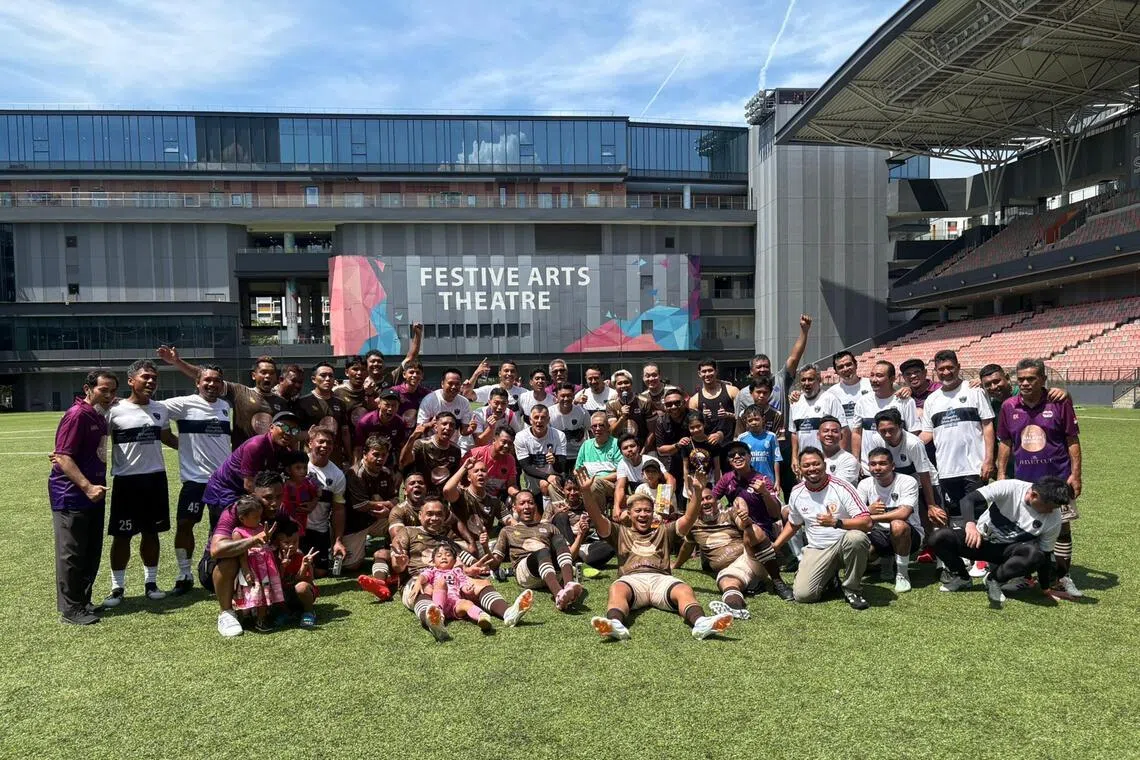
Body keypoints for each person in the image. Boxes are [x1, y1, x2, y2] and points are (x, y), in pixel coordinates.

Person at [576, 467, 734, 641]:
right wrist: (585, 492)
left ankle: (701, 623)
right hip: (631, 580)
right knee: (617, 588)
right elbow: (596, 516)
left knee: (683, 589)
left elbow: (689, 518)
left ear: (653, 513)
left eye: (647, 510)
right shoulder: (619, 532)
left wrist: (696, 490)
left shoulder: (664, 531)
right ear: (629, 513)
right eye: (638, 510)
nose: (643, 514)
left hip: (661, 579)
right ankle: (616, 625)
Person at [997, 358, 1083, 599]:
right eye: (1021, 379)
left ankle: (1061, 577)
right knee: (1026, 530)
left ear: (1043, 379)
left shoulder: (1059, 402)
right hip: (1025, 483)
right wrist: (1002, 474)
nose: (1025, 383)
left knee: (1062, 528)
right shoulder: (1008, 406)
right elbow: (1005, 443)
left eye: (1031, 379)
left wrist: (1076, 476)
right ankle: (1026, 576)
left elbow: (1072, 441)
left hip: (1058, 481)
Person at [391, 499, 531, 642]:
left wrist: (474, 568)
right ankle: (434, 622)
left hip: (453, 580)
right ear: (420, 515)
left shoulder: (447, 541)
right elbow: (397, 565)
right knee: (426, 587)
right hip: (419, 578)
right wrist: (400, 564)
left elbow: (473, 563)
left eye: (439, 514)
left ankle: (508, 613)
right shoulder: (407, 532)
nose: (434, 518)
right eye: (430, 514)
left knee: (481, 583)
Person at [929, 477, 1072, 608]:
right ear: (1034, 495)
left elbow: (1045, 555)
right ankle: (962, 577)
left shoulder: (1054, 518)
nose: (1051, 511)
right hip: (979, 541)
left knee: (1035, 554)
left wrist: (1046, 589)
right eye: (1049, 507)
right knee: (939, 538)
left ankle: (994, 579)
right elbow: (968, 499)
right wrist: (970, 525)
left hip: (1008, 554)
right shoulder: (1011, 487)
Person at [104, 359, 177, 607]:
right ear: (131, 380)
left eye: (154, 378)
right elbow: (97, 438)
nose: (150, 381)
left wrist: (195, 449)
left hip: (155, 479)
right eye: (145, 377)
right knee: (122, 536)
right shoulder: (114, 410)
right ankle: (117, 588)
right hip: (126, 481)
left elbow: (167, 437)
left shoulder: (160, 409)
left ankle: (151, 583)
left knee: (151, 532)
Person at [49, 369, 117, 625]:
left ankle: (83, 600)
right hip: (71, 495)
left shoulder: (97, 415)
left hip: (93, 494)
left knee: (90, 551)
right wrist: (87, 487)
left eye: (113, 390)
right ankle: (70, 609)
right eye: (104, 390)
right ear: (88, 388)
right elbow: (63, 456)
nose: (109, 395)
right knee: (72, 553)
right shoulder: (77, 414)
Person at [160, 363, 232, 595]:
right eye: (207, 380)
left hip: (222, 481)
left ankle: (217, 572)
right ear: (197, 383)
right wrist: (177, 445)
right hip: (195, 480)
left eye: (216, 380)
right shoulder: (183, 404)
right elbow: (154, 411)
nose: (212, 384)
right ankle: (184, 574)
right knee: (185, 524)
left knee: (222, 528)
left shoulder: (225, 406)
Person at [771, 447, 873, 609]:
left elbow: (866, 522)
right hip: (817, 548)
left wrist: (837, 522)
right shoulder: (797, 492)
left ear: (824, 465)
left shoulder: (842, 487)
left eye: (816, 464)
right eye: (807, 465)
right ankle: (830, 578)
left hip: (843, 545)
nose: (812, 469)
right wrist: (776, 545)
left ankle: (852, 589)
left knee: (857, 538)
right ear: (800, 469)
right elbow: (794, 523)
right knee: (803, 595)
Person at [919, 350, 995, 533]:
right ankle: (964, 556)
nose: (946, 372)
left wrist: (988, 460)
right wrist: (903, 443)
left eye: (950, 368)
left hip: (974, 466)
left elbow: (988, 426)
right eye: (941, 369)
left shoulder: (974, 391)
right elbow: (927, 434)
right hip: (946, 469)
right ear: (935, 371)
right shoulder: (932, 400)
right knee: (955, 514)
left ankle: (981, 560)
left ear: (958, 367)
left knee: (977, 513)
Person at [707, 440, 795, 601]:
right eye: (732, 455)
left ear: (750, 457)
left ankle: (777, 581)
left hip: (761, 531)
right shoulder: (727, 479)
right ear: (729, 460)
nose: (737, 457)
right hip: (736, 531)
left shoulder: (762, 480)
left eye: (742, 453)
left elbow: (775, 514)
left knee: (752, 530)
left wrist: (764, 493)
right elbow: (710, 499)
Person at [474, 490, 586, 611]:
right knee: (542, 551)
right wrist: (485, 547)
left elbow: (570, 555)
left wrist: (580, 535)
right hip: (526, 573)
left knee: (558, 539)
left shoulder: (549, 527)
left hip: (551, 570)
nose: (527, 506)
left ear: (535, 506)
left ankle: (569, 585)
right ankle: (559, 594)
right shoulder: (507, 531)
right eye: (522, 503)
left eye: (530, 503)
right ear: (514, 508)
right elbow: (494, 565)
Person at [157, 347, 289, 448]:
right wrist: (177, 362)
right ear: (254, 375)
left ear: (276, 377)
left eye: (271, 373)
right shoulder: (240, 392)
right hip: (242, 460)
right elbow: (206, 376)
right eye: (263, 372)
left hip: (272, 458)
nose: (267, 376)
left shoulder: (281, 403)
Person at [205, 473, 283, 637]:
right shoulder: (235, 511)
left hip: (259, 567)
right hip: (217, 569)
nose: (274, 503)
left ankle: (264, 607)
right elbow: (217, 550)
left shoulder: (278, 512)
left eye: (279, 496)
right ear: (254, 496)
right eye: (268, 497)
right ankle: (226, 613)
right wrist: (254, 540)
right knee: (230, 559)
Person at [201, 410, 299, 534]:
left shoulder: (283, 448)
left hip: (244, 492)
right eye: (284, 427)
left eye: (293, 430)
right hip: (224, 491)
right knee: (224, 535)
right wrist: (270, 505)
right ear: (271, 427)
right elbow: (249, 485)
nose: (288, 433)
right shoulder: (256, 445)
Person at [858, 448, 922, 593]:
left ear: (892, 466)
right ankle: (885, 559)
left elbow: (904, 513)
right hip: (878, 534)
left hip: (909, 536)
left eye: (882, 463)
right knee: (859, 547)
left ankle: (902, 574)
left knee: (898, 524)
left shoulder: (907, 481)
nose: (877, 468)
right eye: (873, 464)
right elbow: (856, 515)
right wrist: (868, 510)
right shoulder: (864, 484)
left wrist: (870, 516)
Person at [342, 434, 399, 585]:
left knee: (399, 519)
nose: (380, 458)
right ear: (365, 454)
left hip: (377, 519)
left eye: (384, 455)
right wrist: (387, 505)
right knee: (351, 566)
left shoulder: (386, 472)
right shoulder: (354, 473)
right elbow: (360, 506)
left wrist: (388, 510)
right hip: (355, 524)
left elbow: (396, 500)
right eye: (376, 454)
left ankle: (392, 554)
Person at [733, 314, 812, 418]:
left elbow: (793, 359)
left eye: (766, 366)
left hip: (781, 434)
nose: (763, 369)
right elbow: (740, 422)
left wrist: (804, 331)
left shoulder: (780, 381)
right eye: (759, 367)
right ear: (751, 371)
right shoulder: (743, 394)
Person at [295, 427, 347, 577]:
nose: (325, 446)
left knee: (320, 572)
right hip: (296, 529)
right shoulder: (298, 465)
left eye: (329, 443)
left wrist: (337, 541)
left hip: (319, 530)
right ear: (310, 443)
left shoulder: (337, 475)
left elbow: (338, 510)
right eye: (321, 441)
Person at [849, 360, 919, 472]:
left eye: (879, 376)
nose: (874, 380)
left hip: (898, 466)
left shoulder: (905, 401)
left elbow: (913, 432)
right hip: (869, 468)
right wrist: (856, 460)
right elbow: (857, 432)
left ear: (892, 379)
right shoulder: (862, 402)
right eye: (872, 375)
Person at [230, 496, 285, 632]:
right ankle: (242, 617)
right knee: (252, 593)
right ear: (242, 518)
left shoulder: (260, 527)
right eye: (255, 517)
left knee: (265, 594)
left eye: (259, 516)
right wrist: (246, 570)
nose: (259, 519)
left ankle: (261, 619)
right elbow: (241, 553)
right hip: (253, 568)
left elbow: (265, 543)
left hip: (266, 568)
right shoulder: (238, 532)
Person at [415, 545, 495, 636]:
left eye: (448, 555)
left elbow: (464, 584)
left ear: (454, 561)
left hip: (455, 603)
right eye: (439, 555)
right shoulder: (432, 571)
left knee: (466, 603)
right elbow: (423, 576)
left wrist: (468, 590)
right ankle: (438, 615)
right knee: (441, 582)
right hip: (439, 602)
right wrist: (418, 582)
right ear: (433, 562)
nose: (444, 557)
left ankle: (482, 617)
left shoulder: (457, 571)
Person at [294, 361, 352, 468]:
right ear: (313, 379)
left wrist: (350, 457)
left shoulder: (340, 403)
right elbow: (295, 434)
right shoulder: (302, 402)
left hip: (335, 460)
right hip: (311, 461)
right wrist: (308, 434)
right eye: (323, 375)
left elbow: (345, 433)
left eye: (331, 376)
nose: (327, 379)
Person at [549, 477, 614, 572]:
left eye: (575, 489)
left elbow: (601, 523)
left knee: (610, 547)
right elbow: (542, 526)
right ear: (563, 490)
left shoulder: (588, 505)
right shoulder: (555, 506)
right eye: (569, 489)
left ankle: (574, 558)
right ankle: (574, 557)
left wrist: (589, 522)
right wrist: (554, 515)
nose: (572, 492)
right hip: (565, 544)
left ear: (580, 490)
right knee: (561, 517)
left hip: (585, 546)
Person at [789, 365, 847, 470]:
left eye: (810, 379)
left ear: (819, 380)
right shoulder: (795, 402)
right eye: (803, 380)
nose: (806, 383)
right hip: (805, 463)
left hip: (828, 461)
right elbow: (794, 433)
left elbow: (843, 430)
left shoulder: (830, 399)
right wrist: (794, 458)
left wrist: (839, 458)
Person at [688, 357, 737, 467]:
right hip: (708, 449)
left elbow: (743, 418)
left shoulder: (732, 391)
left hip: (731, 446)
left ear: (716, 371)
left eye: (710, 370)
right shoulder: (694, 400)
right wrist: (703, 418)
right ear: (699, 374)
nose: (707, 374)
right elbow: (694, 428)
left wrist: (728, 415)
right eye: (704, 371)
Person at [272, 517, 319, 629]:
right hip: (283, 596)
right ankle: (287, 613)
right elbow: (276, 582)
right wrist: (282, 567)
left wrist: (304, 566)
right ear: (277, 543)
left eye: (295, 541)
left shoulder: (300, 556)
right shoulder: (272, 558)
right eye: (287, 542)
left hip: (299, 593)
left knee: (301, 587)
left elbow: (307, 581)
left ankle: (309, 612)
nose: (292, 545)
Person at [401, 412, 463, 497]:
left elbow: (454, 477)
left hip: (441, 499)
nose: (448, 428)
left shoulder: (456, 450)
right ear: (436, 427)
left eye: (452, 425)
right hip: (419, 496)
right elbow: (403, 462)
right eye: (444, 424)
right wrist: (412, 438)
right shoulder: (421, 444)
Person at [514, 404, 567, 501]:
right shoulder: (521, 437)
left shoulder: (559, 436)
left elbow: (561, 469)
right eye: (536, 417)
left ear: (548, 420)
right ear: (530, 420)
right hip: (533, 482)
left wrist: (554, 461)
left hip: (554, 481)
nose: (539, 421)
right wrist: (547, 476)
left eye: (543, 417)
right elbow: (526, 467)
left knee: (545, 484)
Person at [613, 434, 671, 522]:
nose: (629, 449)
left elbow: (670, 479)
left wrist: (663, 500)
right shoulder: (622, 463)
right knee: (622, 516)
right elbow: (620, 487)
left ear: (638, 447)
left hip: (655, 498)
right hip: (637, 499)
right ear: (621, 452)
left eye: (632, 446)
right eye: (625, 448)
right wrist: (616, 507)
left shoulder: (650, 460)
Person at [363, 321, 423, 401]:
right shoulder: (360, 380)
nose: (376, 364)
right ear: (366, 365)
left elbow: (410, 357)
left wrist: (417, 335)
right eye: (373, 361)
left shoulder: (391, 377)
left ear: (384, 365)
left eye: (379, 361)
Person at [416, 367, 476, 444]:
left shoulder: (464, 402)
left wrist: (470, 430)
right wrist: (430, 424)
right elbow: (419, 428)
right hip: (429, 445)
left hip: (451, 446)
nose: (454, 387)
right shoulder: (429, 400)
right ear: (442, 384)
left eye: (457, 384)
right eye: (450, 383)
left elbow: (463, 431)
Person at [576, 410, 622, 505]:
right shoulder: (586, 445)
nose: (597, 428)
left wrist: (598, 480)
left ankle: (598, 518)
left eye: (601, 425)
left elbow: (621, 473)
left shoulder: (616, 444)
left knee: (595, 485)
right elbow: (577, 469)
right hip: (587, 482)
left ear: (608, 427)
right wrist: (586, 481)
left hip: (609, 484)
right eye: (594, 426)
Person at [464, 427, 521, 504]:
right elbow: (459, 479)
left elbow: (511, 484)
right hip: (471, 497)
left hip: (494, 499)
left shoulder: (510, 460)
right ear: (494, 440)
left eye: (510, 443)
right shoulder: (475, 454)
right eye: (504, 442)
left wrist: (518, 495)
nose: (507, 446)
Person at [352, 389, 409, 465]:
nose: (390, 409)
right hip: (368, 460)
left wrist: (399, 469)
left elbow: (400, 446)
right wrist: (356, 467)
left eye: (394, 405)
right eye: (387, 405)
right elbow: (358, 448)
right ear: (379, 404)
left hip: (388, 459)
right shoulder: (365, 422)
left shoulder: (400, 423)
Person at [465, 386, 524, 452]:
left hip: (497, 450)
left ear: (507, 403)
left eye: (503, 403)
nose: (500, 407)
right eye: (496, 403)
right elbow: (479, 443)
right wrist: (490, 428)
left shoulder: (510, 414)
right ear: (489, 402)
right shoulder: (479, 415)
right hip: (474, 450)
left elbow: (518, 438)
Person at [652, 388, 691, 486]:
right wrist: (678, 445)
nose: (673, 407)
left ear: (684, 402)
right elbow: (661, 450)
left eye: (677, 403)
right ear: (665, 406)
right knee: (670, 496)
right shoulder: (661, 421)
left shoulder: (694, 416)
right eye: (669, 404)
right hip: (671, 464)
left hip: (693, 462)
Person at [826, 350, 873, 430]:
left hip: (869, 438)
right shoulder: (831, 393)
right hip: (845, 440)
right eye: (840, 367)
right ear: (836, 372)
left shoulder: (871, 385)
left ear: (856, 365)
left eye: (848, 365)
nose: (845, 369)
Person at [606, 370, 654, 448]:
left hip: (643, 446)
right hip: (621, 448)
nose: (623, 386)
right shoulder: (611, 404)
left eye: (626, 382)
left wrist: (643, 451)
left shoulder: (644, 401)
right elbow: (613, 432)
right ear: (614, 386)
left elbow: (652, 431)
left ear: (631, 384)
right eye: (619, 383)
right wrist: (622, 417)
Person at [736, 403, 781, 485]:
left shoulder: (771, 436)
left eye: (756, 419)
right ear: (746, 421)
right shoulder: (742, 438)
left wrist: (777, 481)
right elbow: (739, 461)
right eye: (750, 420)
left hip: (768, 480)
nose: (754, 422)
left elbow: (776, 460)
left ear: (763, 419)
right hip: (748, 481)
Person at [548, 383, 590, 471]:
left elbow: (589, 431)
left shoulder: (582, 413)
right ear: (556, 396)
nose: (566, 399)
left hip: (578, 455)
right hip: (558, 456)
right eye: (563, 396)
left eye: (569, 396)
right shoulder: (549, 413)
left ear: (574, 396)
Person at [278, 450, 319, 535]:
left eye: (305, 467)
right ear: (288, 470)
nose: (302, 471)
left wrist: (313, 503)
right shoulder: (283, 487)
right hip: (285, 529)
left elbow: (317, 495)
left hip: (302, 529)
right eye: (298, 468)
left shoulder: (309, 484)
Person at [818, 416, 860, 485]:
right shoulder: (814, 460)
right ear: (818, 435)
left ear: (841, 436)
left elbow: (837, 488)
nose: (830, 434)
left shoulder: (848, 460)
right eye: (825, 431)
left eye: (835, 431)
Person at [391, 359, 431, 429]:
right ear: (404, 374)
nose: (415, 375)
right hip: (395, 431)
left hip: (417, 433)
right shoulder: (394, 391)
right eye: (411, 372)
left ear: (422, 375)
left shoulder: (427, 394)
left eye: (418, 373)